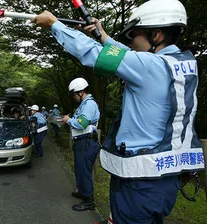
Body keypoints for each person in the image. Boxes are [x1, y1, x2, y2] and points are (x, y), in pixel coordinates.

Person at [32, 0, 204, 222]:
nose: (130, 42)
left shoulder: (149, 66)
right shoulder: (181, 65)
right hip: (165, 179)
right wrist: (102, 35)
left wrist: (55, 25)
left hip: (139, 183)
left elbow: (95, 53)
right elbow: (130, 57)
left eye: (133, 35)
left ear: (157, 35)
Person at [62, 77, 100, 212]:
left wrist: (68, 120)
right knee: (80, 170)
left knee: (84, 172)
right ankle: (83, 192)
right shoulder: (83, 104)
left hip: (87, 142)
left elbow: (82, 123)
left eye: (74, 94)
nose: (73, 97)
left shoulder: (89, 104)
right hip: (82, 142)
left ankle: (89, 201)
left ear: (81, 92)